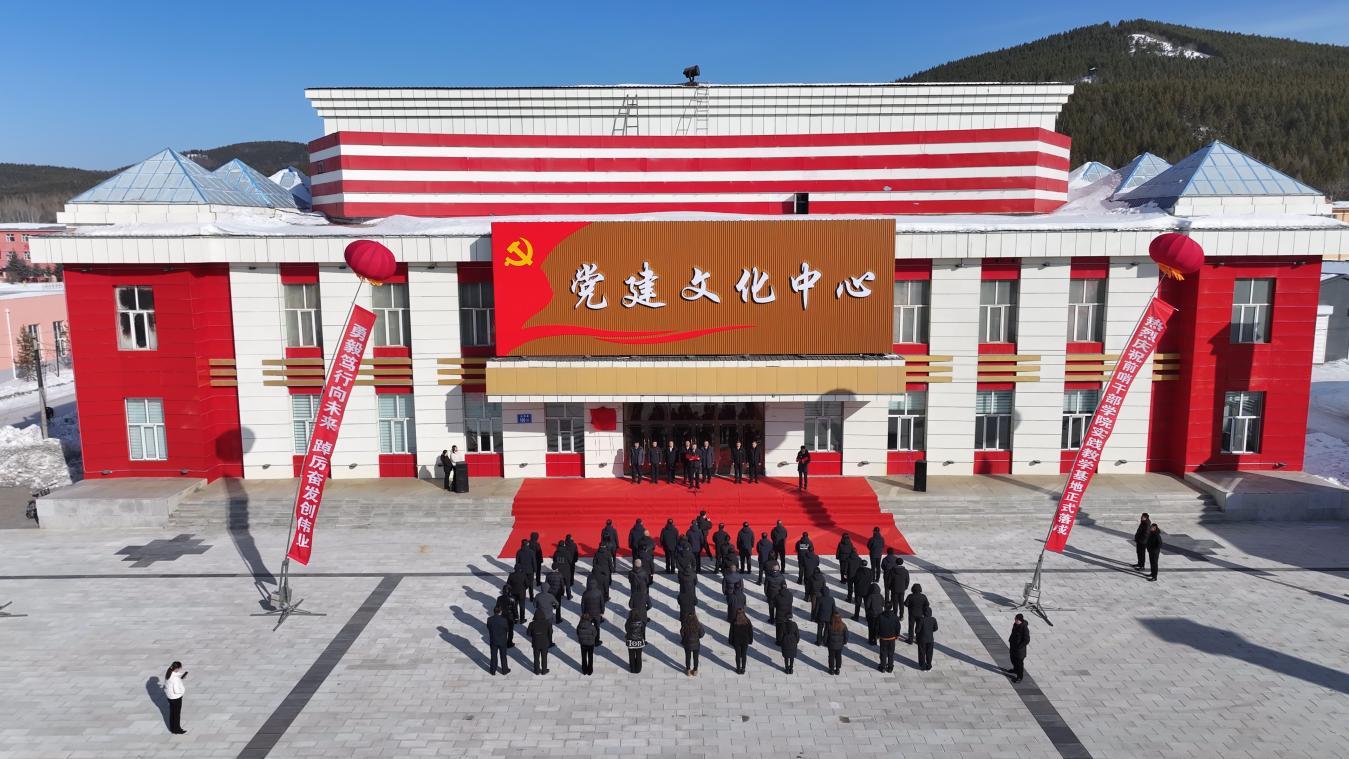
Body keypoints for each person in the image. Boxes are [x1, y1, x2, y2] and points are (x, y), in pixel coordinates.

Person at [164, 661, 188, 734]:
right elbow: (177, 690)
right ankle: (177, 729)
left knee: (172, 713)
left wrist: (180, 677)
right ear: (177, 668)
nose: (180, 669)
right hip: (176, 698)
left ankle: (172, 728)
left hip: (170, 697)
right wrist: (182, 692)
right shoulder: (175, 679)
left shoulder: (168, 673)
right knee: (177, 714)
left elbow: (175, 677)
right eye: (180, 668)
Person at [487, 605, 512, 675]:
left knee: (493, 656)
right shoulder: (504, 620)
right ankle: (504, 670)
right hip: (502, 641)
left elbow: (488, 627)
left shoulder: (489, 619)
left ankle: (493, 670)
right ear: (500, 612)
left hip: (493, 640)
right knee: (503, 656)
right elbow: (507, 629)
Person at [1006, 613, 1030, 683]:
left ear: (1020, 620)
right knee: (1012, 659)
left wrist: (1019, 646)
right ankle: (1015, 670)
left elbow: (1027, 639)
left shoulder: (1024, 628)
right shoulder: (1015, 624)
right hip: (1013, 647)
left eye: (1016, 619)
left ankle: (1019, 677)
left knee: (1019, 664)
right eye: (1015, 619)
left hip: (1019, 650)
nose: (1015, 620)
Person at [527, 610, 553, 674]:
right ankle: (544, 670)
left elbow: (528, 633)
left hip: (536, 643)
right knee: (544, 657)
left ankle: (537, 670)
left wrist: (534, 635)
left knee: (536, 657)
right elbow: (550, 632)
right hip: (544, 643)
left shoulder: (532, 624)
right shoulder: (547, 623)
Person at [876, 604, 901, 672]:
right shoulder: (895, 617)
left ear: (884, 607)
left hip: (883, 638)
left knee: (883, 652)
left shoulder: (880, 616)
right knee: (891, 653)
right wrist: (897, 635)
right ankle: (890, 667)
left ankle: (883, 667)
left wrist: (877, 635)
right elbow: (898, 627)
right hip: (892, 638)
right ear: (891, 607)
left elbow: (877, 627)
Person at [729, 607, 754, 674]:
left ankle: (738, 669)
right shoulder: (747, 621)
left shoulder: (734, 621)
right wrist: (750, 640)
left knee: (738, 654)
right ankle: (743, 668)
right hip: (745, 641)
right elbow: (750, 632)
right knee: (744, 654)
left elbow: (731, 632)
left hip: (736, 641)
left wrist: (730, 641)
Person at [680, 611, 705, 676]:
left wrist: (685, 637)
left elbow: (682, 633)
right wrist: (697, 637)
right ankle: (695, 670)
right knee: (695, 657)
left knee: (688, 657)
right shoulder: (698, 625)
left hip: (687, 643)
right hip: (696, 644)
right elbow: (702, 634)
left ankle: (688, 670)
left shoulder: (685, 624)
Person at [625, 608, 647, 673]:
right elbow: (643, 630)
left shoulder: (628, 621)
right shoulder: (641, 622)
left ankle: (632, 669)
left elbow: (626, 629)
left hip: (630, 640)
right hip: (639, 641)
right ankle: (638, 669)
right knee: (638, 656)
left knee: (631, 656)